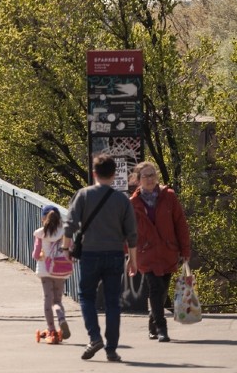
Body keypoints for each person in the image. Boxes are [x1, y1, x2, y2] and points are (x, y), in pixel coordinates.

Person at [62, 154, 138, 363]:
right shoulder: (122, 200)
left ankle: (94, 337)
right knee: (113, 302)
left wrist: (66, 249)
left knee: (86, 296)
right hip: (115, 254)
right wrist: (133, 259)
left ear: (94, 173)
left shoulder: (83, 195)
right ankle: (111, 349)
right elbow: (131, 233)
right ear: (114, 175)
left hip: (90, 254)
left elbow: (70, 225)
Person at [129, 161, 191, 343]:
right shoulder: (133, 203)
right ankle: (162, 328)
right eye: (145, 176)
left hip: (167, 251)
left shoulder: (169, 196)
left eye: (152, 175)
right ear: (138, 180)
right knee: (155, 289)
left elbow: (180, 224)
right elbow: (128, 231)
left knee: (162, 291)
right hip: (146, 254)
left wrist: (185, 250)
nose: (150, 179)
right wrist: (130, 255)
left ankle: (152, 323)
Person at [32, 204, 71, 344]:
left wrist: (41, 255)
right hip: (61, 270)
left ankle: (51, 330)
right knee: (58, 301)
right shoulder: (64, 232)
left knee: (48, 299)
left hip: (45, 271)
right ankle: (61, 319)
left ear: (44, 218)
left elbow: (36, 255)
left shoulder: (41, 234)